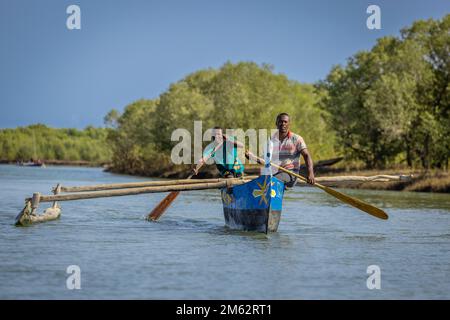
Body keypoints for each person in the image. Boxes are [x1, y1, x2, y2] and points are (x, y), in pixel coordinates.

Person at [269, 113, 315, 187]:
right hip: (274, 174)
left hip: (291, 175)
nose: (283, 124)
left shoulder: (297, 139)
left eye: (285, 122)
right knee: (261, 182)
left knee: (273, 181)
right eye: (280, 121)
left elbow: (306, 155)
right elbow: (265, 159)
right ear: (276, 123)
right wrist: (252, 157)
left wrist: (310, 173)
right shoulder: (271, 139)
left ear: (289, 124)